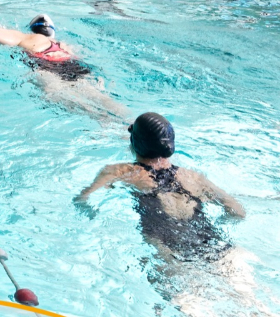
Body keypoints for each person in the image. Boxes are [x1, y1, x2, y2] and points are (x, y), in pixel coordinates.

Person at [76, 114, 266, 315]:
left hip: (169, 254)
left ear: (134, 143)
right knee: (254, 304)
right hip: (219, 246)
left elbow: (82, 199)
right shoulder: (193, 176)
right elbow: (237, 211)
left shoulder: (121, 171)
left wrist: (90, 213)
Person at [0, 7, 125, 119]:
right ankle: (130, 124)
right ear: (52, 33)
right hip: (78, 69)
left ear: (32, 29)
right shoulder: (64, 45)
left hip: (48, 70)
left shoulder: (27, 38)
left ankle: (101, 119)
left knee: (58, 98)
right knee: (104, 100)